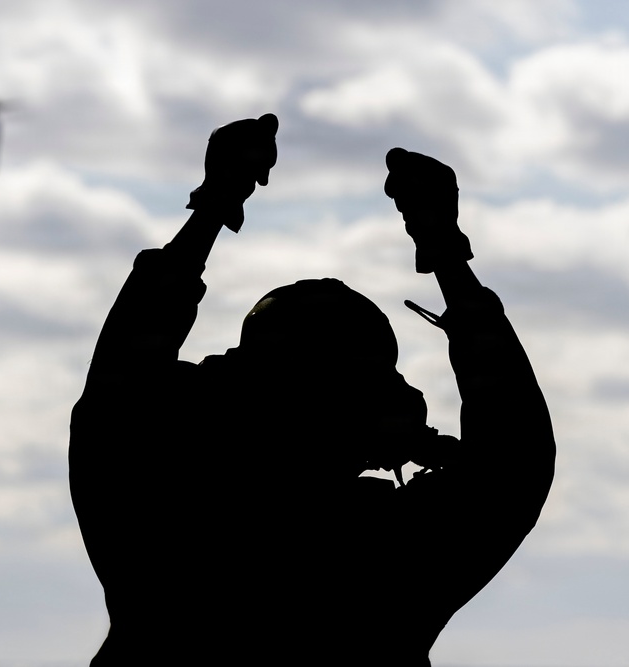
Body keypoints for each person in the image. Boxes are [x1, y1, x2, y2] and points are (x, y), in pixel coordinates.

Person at [69, 114, 555, 665]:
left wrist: (215, 205)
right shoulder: (394, 554)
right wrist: (444, 252)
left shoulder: (152, 519)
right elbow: (516, 454)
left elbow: (122, 379)